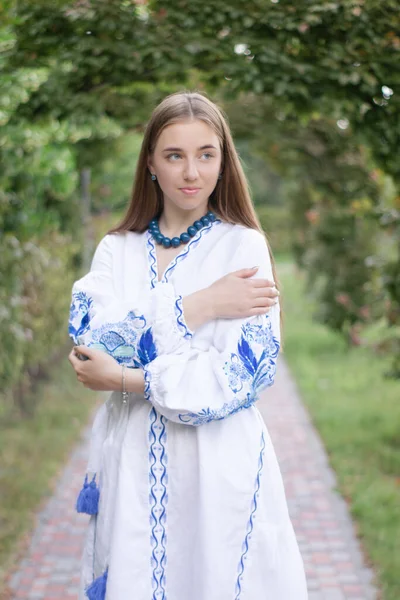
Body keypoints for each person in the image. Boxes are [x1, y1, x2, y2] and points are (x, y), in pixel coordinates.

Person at [68, 91, 308, 600]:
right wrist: (200, 306)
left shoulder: (242, 246)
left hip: (218, 464)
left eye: (206, 154)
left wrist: (127, 378)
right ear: (151, 164)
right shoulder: (116, 249)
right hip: (130, 461)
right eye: (174, 155)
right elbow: (94, 340)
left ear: (223, 162)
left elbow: (239, 377)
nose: (191, 172)